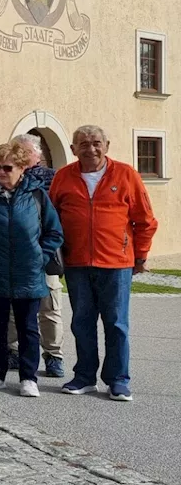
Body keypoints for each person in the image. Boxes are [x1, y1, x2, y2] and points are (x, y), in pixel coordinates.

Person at [49, 125, 157, 401]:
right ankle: (84, 376)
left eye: (96, 143)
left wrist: (141, 255)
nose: (91, 148)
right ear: (73, 149)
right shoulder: (63, 177)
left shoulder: (125, 174)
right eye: (83, 143)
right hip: (76, 262)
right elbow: (51, 218)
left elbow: (144, 220)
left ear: (107, 145)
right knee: (82, 321)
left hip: (116, 262)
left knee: (116, 323)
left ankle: (118, 379)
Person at [0, 142, 64, 398]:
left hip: (28, 271)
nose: (1, 172)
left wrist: (39, 256)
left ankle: (28, 378)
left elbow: (54, 232)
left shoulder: (37, 195)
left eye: (7, 167)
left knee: (28, 327)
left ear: (22, 168)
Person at [8, 133, 64, 378]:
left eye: (25, 151)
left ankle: (53, 355)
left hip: (43, 254)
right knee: (11, 305)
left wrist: (43, 253)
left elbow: (57, 218)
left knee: (49, 305)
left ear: (38, 154)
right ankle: (10, 351)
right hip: (12, 256)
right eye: (16, 150)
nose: (20, 154)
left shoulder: (53, 178)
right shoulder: (6, 176)